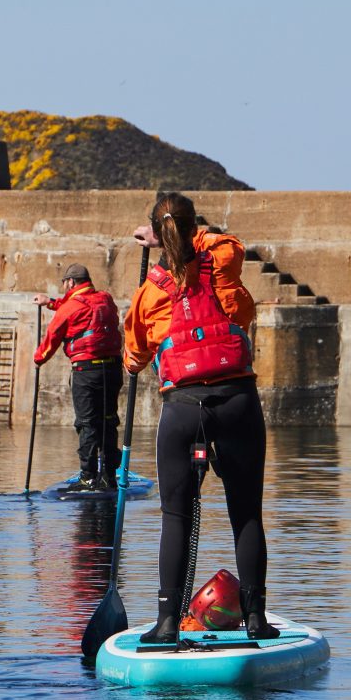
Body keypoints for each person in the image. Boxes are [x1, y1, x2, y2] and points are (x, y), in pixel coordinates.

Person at [122, 192, 273, 644]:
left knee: (176, 516)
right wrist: (182, 233)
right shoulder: (222, 259)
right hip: (237, 403)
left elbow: (134, 354)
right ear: (194, 229)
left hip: (182, 412)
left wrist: (134, 361)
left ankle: (167, 623)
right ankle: (255, 619)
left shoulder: (149, 293)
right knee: (245, 513)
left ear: (159, 235)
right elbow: (231, 243)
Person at [32, 264, 123, 491]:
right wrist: (50, 302)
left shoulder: (70, 307)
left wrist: (38, 358)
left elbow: (53, 336)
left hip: (86, 372)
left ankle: (88, 476)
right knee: (108, 421)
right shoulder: (106, 299)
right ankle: (109, 475)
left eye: (64, 284)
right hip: (112, 370)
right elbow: (77, 307)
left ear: (71, 283)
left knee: (87, 423)